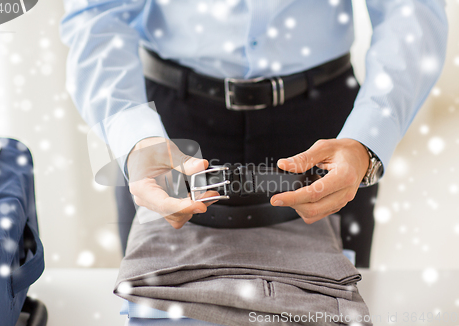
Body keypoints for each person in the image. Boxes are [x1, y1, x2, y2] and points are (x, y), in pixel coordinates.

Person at [59, 0, 447, 268]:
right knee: (160, 304)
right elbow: (97, 11)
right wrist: (132, 133)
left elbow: (410, 10)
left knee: (330, 305)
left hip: (327, 132)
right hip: (165, 134)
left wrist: (367, 137)